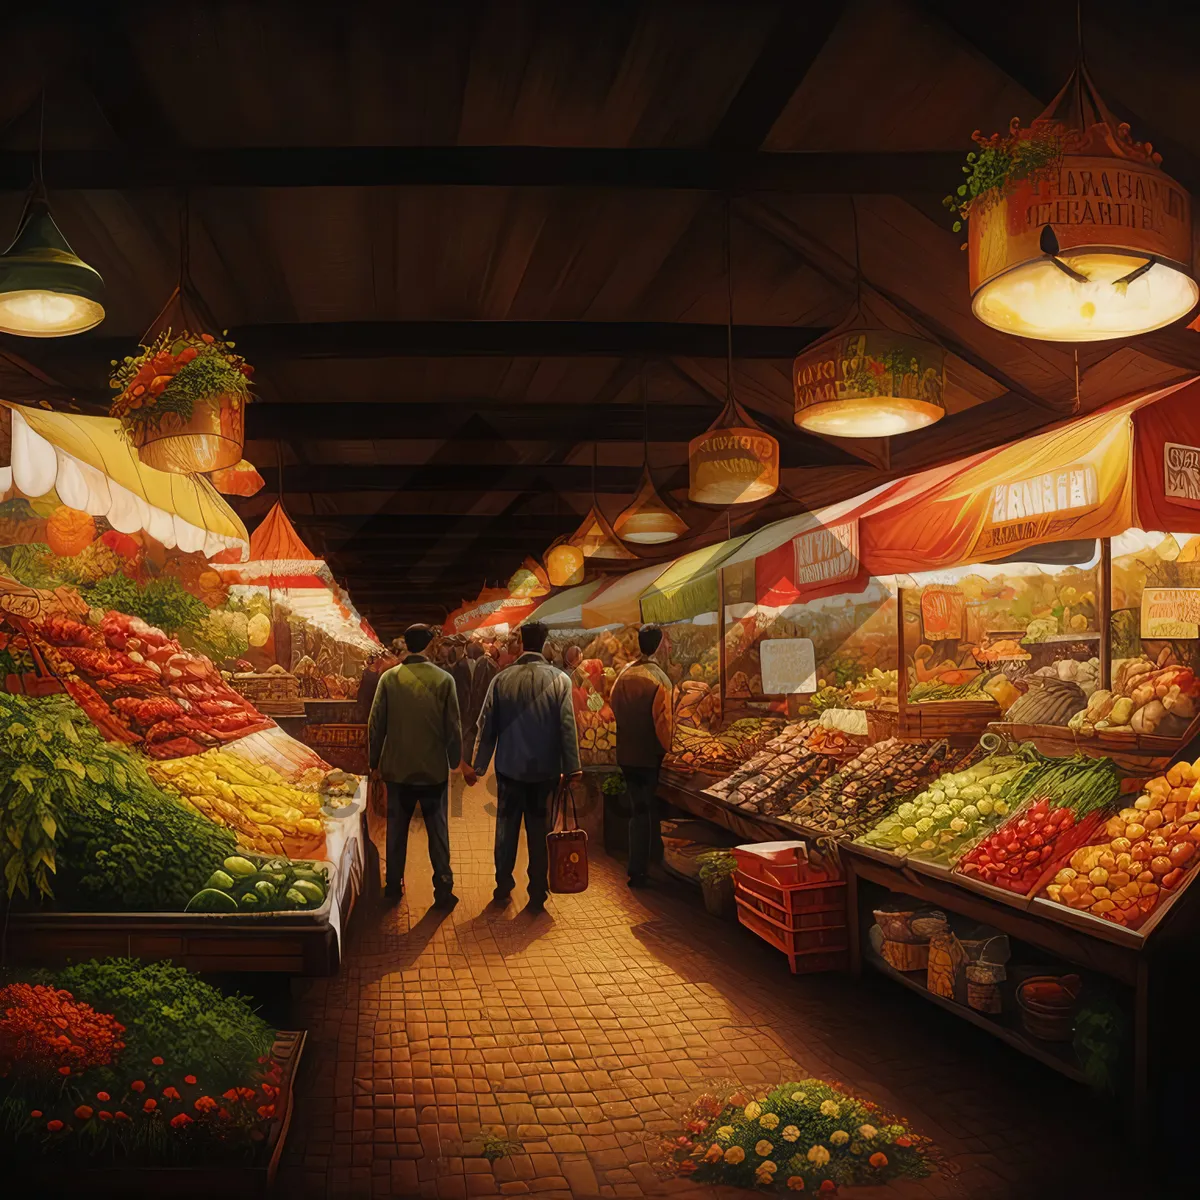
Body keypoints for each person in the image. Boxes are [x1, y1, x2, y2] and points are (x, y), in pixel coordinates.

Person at [466, 620, 581, 913]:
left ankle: (503, 885)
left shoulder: (501, 680)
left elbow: (487, 727)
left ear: (521, 645)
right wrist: (573, 767)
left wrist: (478, 767)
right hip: (545, 772)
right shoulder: (560, 681)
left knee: (506, 829)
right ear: (544, 644)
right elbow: (567, 727)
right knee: (539, 830)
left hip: (509, 769)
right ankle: (538, 892)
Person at [367, 623, 462, 909]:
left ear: (406, 645)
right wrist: (455, 760)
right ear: (430, 644)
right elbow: (453, 728)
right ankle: (443, 889)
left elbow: (375, 725)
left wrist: (374, 763)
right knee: (438, 831)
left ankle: (393, 886)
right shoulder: (445, 680)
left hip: (397, 770)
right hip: (432, 771)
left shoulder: (389, 679)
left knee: (397, 831)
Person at [610, 624, 673, 888]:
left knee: (638, 808)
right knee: (645, 810)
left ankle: (643, 863)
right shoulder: (661, 679)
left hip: (625, 752)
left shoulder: (623, 674)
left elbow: (612, 704)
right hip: (649, 756)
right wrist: (670, 750)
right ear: (658, 645)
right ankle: (640, 870)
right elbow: (664, 724)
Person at [451, 639, 497, 772]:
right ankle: (463, 762)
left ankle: (466, 763)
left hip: (475, 705)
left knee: (470, 735)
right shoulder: (460, 665)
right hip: (465, 705)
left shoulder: (486, 664)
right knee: (466, 735)